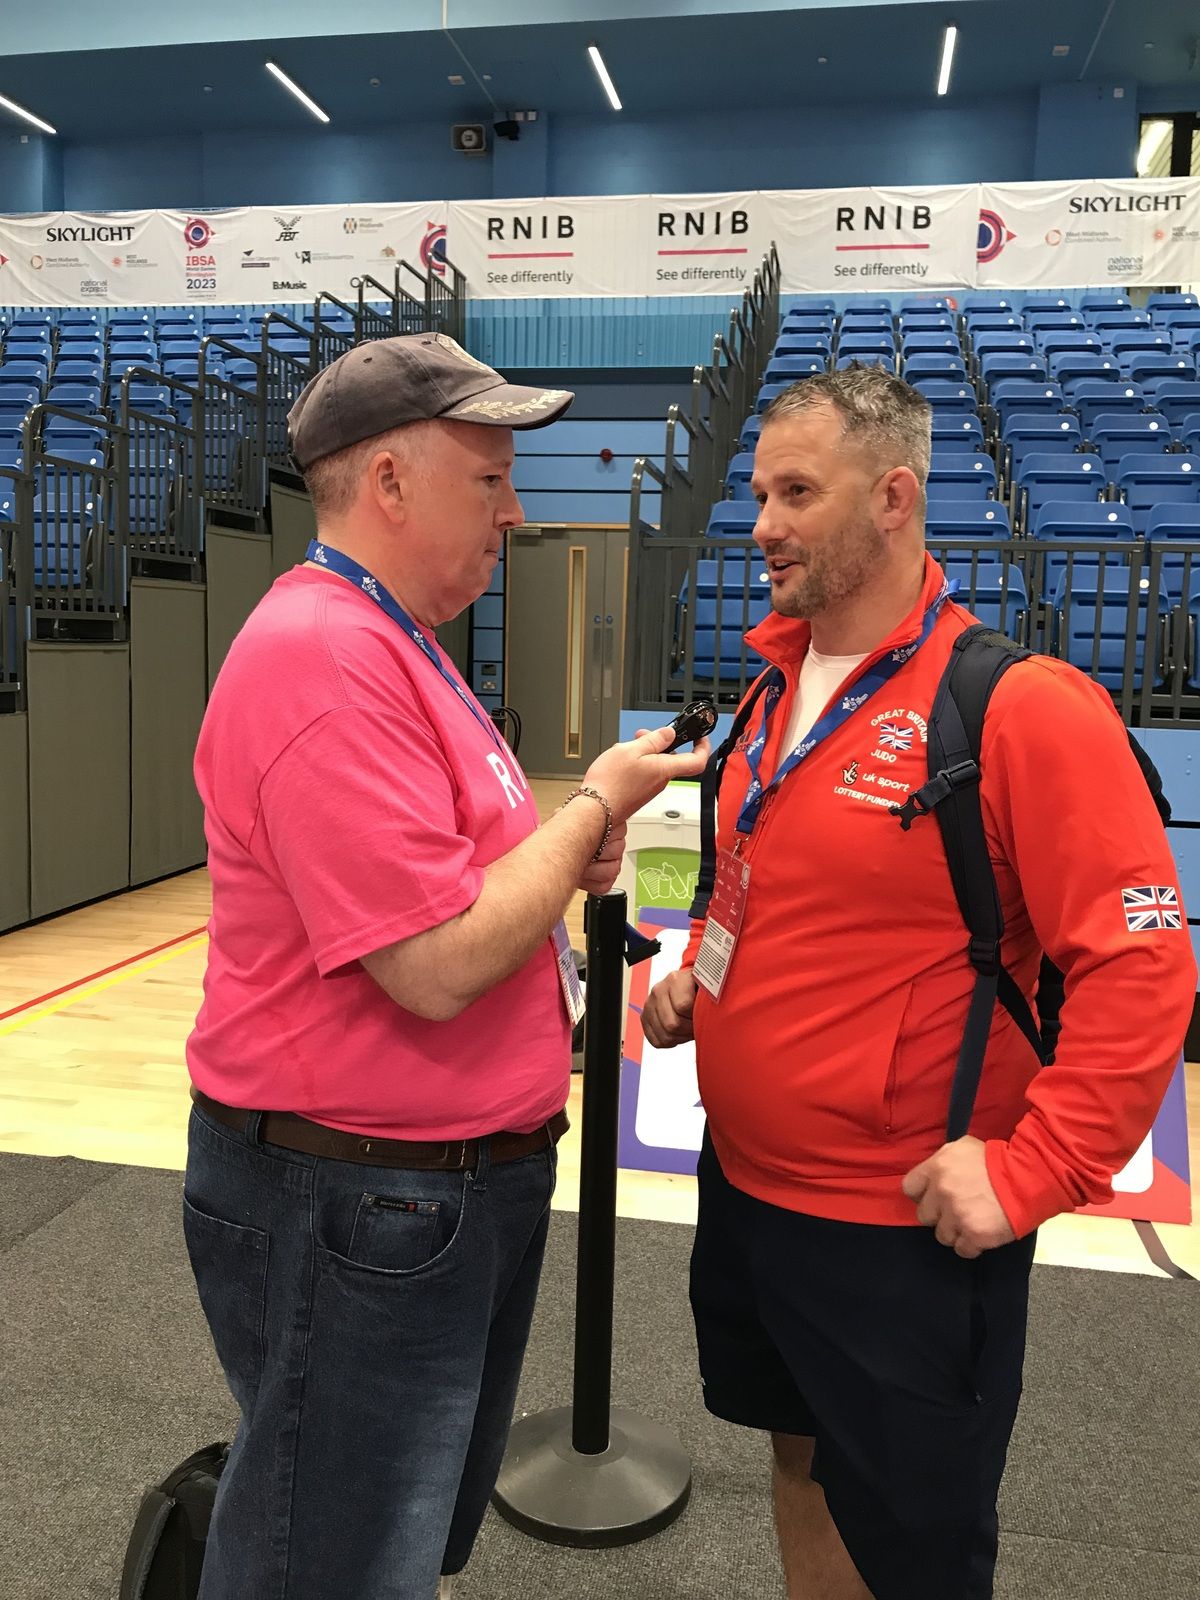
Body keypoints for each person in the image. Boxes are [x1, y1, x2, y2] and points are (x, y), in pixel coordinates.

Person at [642, 364, 1196, 1600]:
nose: (761, 523)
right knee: (801, 1466)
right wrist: (698, 979)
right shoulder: (769, 694)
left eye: (796, 491)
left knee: (919, 1545)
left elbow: (1143, 961)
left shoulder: (1017, 706)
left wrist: (1036, 1168)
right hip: (747, 1196)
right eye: (756, 491)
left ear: (893, 498)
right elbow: (749, 875)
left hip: (903, 1236)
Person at [184, 331, 709, 1600]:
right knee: (333, 1560)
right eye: (490, 479)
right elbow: (431, 962)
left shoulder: (395, 642)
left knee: (383, 1542)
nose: (515, 512)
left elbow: (466, 882)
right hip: (358, 1200)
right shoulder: (324, 657)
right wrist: (594, 813)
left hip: (417, 1196)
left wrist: (547, 856)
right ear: (389, 483)